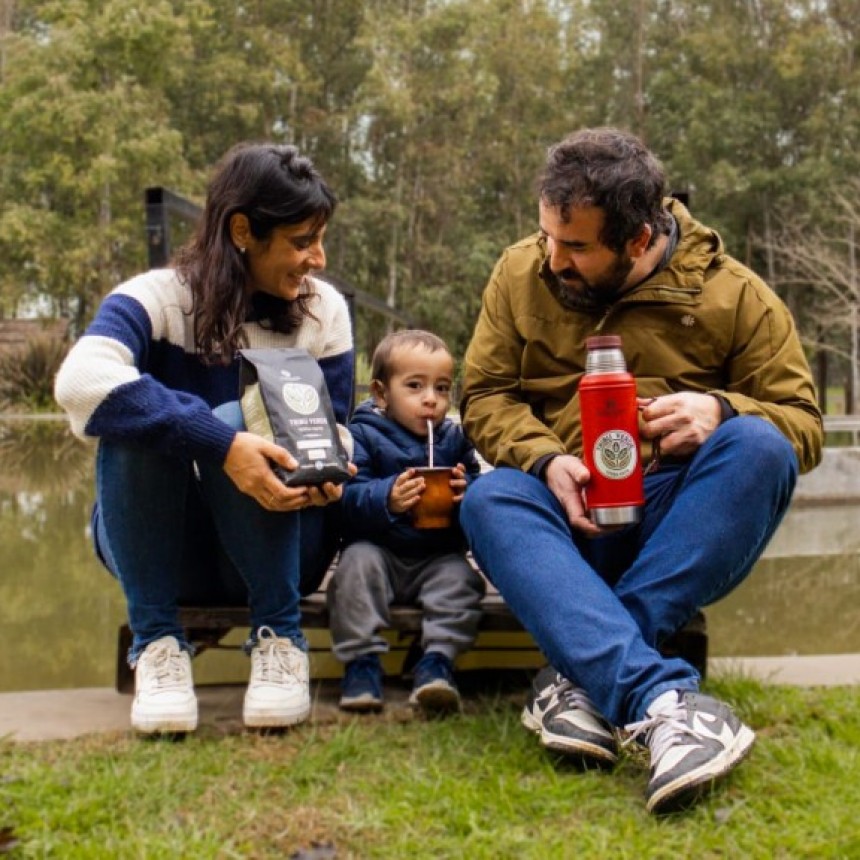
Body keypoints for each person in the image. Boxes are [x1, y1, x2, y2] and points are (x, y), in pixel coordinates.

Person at [458, 127, 823, 814]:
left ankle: (581, 677)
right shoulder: (517, 272)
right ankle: (661, 699)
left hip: (673, 525)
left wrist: (721, 408)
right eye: (546, 235)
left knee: (762, 446)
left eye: (575, 247)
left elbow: (802, 423)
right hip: (563, 521)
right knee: (489, 498)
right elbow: (482, 397)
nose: (552, 257)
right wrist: (545, 458)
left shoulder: (736, 295)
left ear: (636, 240)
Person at [54, 142, 355, 735]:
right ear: (242, 230)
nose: (317, 259)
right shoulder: (155, 298)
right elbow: (80, 380)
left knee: (242, 418)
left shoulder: (324, 311)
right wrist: (219, 446)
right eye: (301, 241)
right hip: (167, 553)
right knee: (150, 420)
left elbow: (340, 427)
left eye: (320, 239)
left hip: (284, 545)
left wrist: (329, 471)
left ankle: (280, 639)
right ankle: (158, 645)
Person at [327, 330, 485, 714]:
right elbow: (346, 498)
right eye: (415, 386)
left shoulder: (455, 439)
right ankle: (361, 663)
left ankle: (436, 664)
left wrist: (470, 491)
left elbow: (478, 486)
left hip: (437, 556)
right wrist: (387, 498)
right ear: (381, 394)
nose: (431, 399)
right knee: (353, 568)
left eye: (442, 388)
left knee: (463, 581)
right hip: (378, 551)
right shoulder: (362, 434)